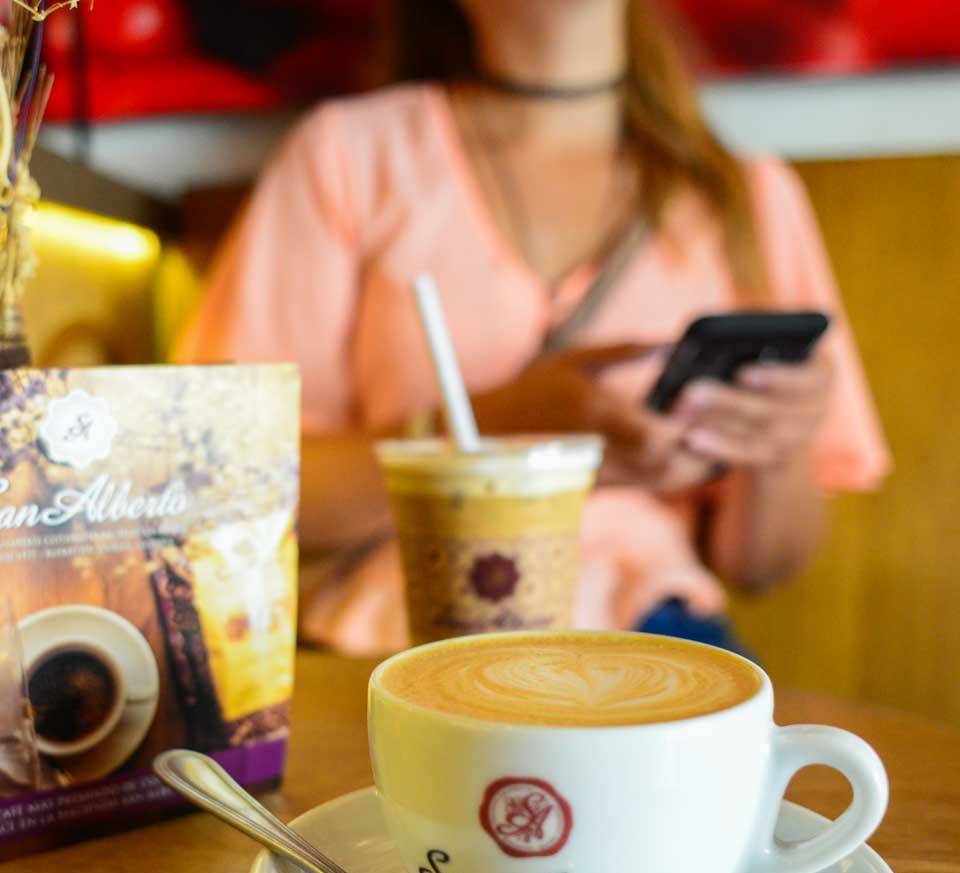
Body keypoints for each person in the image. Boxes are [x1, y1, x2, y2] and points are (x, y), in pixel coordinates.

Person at [175, 0, 890, 656]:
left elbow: (761, 567)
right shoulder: (350, 156)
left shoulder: (744, 192)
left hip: (649, 630)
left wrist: (776, 444)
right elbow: (224, 490)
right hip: (400, 634)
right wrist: (500, 425)